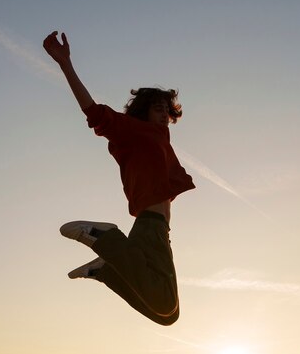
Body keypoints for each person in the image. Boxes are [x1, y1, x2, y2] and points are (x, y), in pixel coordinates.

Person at [42, 31, 194, 326]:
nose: (164, 115)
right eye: (157, 109)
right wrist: (65, 65)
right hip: (150, 226)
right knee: (165, 306)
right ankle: (104, 238)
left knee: (168, 314)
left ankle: (108, 270)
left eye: (167, 110)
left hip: (158, 230)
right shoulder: (132, 131)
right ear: (143, 112)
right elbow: (94, 113)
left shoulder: (161, 138)